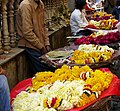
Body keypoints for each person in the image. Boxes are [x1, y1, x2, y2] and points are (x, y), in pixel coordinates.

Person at [16, 0, 55, 75]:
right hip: (29, 44)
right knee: (44, 70)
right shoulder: (26, 5)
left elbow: (43, 27)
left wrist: (47, 43)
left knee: (53, 65)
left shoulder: (40, 3)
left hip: (40, 44)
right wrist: (41, 47)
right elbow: (27, 32)